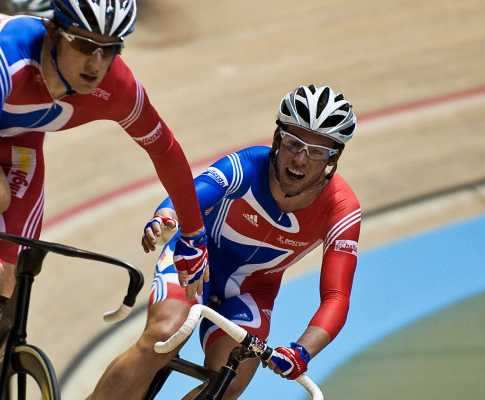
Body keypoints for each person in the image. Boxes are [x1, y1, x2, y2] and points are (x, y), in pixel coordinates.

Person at [0, 0, 209, 394]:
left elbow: (167, 151)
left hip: (17, 141)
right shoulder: (8, 52)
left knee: (0, 297)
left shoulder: (118, 86)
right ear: (55, 33)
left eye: (110, 49)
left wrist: (194, 237)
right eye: (84, 45)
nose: (96, 62)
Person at [90, 84, 361, 400]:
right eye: (293, 143)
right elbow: (188, 196)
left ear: (333, 158)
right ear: (277, 139)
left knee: (227, 384)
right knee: (163, 337)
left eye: (315, 151)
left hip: (250, 293)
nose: (300, 159)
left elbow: (336, 297)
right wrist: (165, 217)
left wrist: (303, 351)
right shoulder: (246, 165)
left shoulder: (342, 209)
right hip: (194, 260)